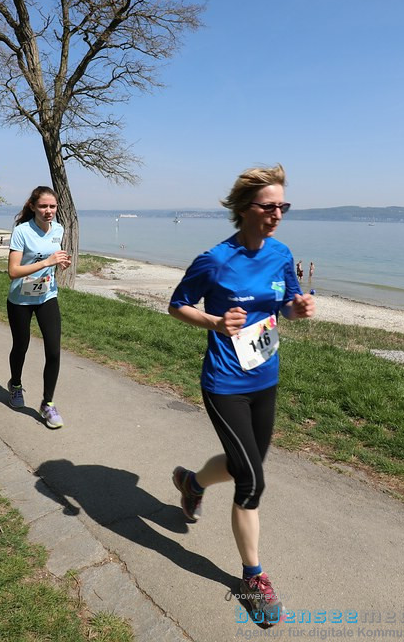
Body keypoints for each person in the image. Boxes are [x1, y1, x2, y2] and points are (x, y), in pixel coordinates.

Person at [167, 165, 315, 625]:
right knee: (252, 481)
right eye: (268, 206)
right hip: (225, 383)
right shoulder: (215, 259)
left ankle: (192, 483)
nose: (277, 214)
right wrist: (214, 322)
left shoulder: (281, 253)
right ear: (244, 209)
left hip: (264, 379)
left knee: (240, 465)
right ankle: (254, 577)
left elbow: (285, 303)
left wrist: (298, 308)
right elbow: (178, 304)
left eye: (282, 206)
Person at [6, 186, 71, 429]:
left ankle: (48, 404)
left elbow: (53, 257)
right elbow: (13, 271)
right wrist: (48, 261)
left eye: (52, 206)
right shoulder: (22, 231)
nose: (48, 211)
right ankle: (15, 385)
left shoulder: (59, 229)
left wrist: (60, 263)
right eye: (43, 206)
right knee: (21, 346)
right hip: (20, 300)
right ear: (33, 206)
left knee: (54, 351)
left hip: (47, 296)